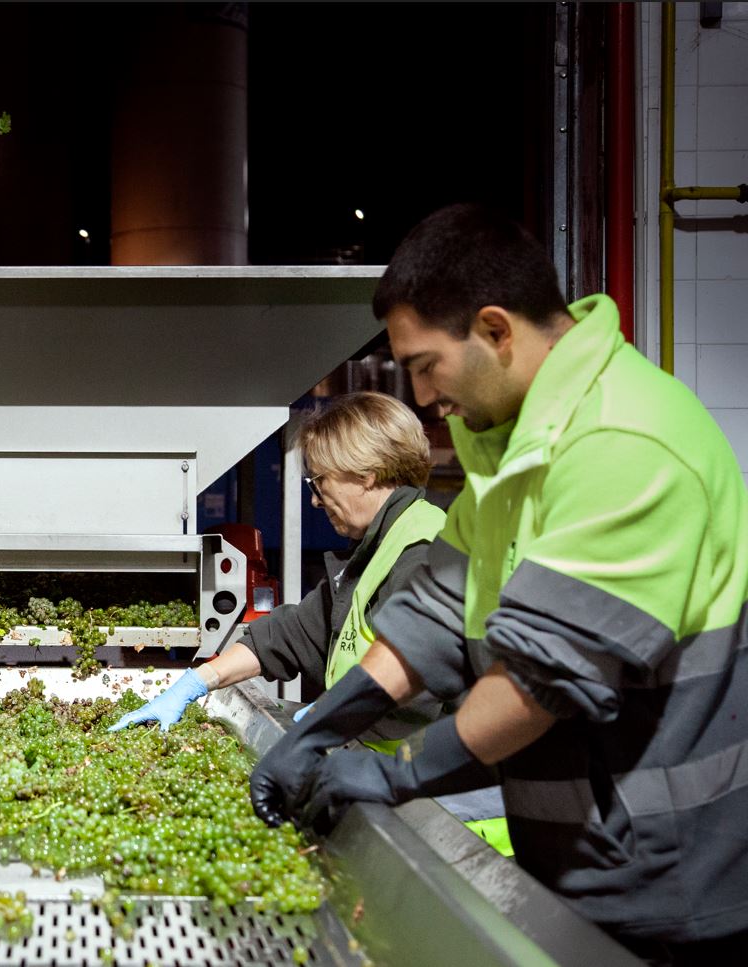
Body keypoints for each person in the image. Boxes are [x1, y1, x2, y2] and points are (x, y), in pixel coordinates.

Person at [251, 203, 748, 963]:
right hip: (581, 864)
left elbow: (538, 681)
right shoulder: (517, 450)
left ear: (494, 329)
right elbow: (437, 614)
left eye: (424, 365)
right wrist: (321, 727)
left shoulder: (625, 443)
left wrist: (393, 770)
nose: (419, 397)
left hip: (672, 885)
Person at [108, 394, 507, 852]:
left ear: (365, 473)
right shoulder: (377, 547)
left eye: (319, 482)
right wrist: (195, 683)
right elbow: (293, 632)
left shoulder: (421, 548)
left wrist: (326, 718)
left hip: (458, 814)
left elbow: (416, 672)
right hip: (400, 784)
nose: (315, 500)